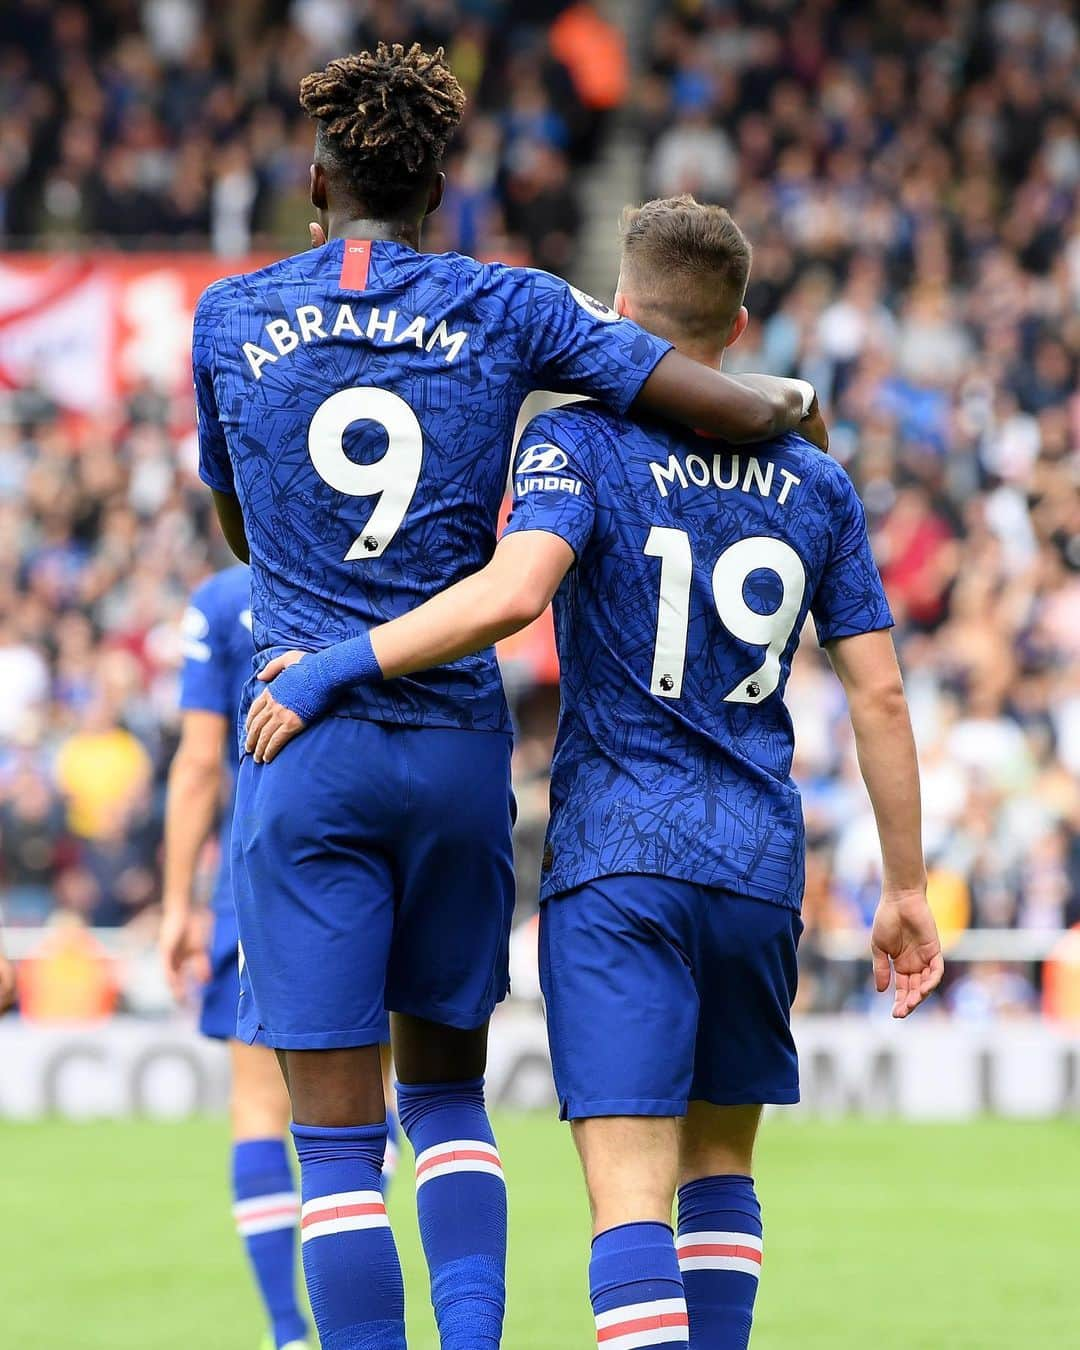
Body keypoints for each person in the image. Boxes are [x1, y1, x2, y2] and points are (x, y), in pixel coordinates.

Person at [193, 42, 823, 1350]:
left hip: (300, 734)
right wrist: (790, 401)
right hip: (456, 749)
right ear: (443, 191)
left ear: (314, 182)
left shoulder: (230, 314)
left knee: (334, 1140)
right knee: (446, 1104)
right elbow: (716, 404)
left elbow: (238, 522)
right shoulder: (515, 305)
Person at [248, 195, 945, 1350]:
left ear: (620, 312)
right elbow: (878, 690)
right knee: (721, 1180)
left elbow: (515, 593)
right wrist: (907, 886)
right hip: (759, 863)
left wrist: (338, 664)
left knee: (629, 1197)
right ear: (739, 323)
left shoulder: (578, 441)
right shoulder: (818, 484)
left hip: (620, 860)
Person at [159, 564, 312, 1350]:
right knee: (377, 1097)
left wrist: (179, 902)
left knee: (258, 1106)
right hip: (372, 853)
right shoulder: (378, 576)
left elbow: (195, 767)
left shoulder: (220, 599)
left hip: (258, 866)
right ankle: (372, 1308)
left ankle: (287, 1331)